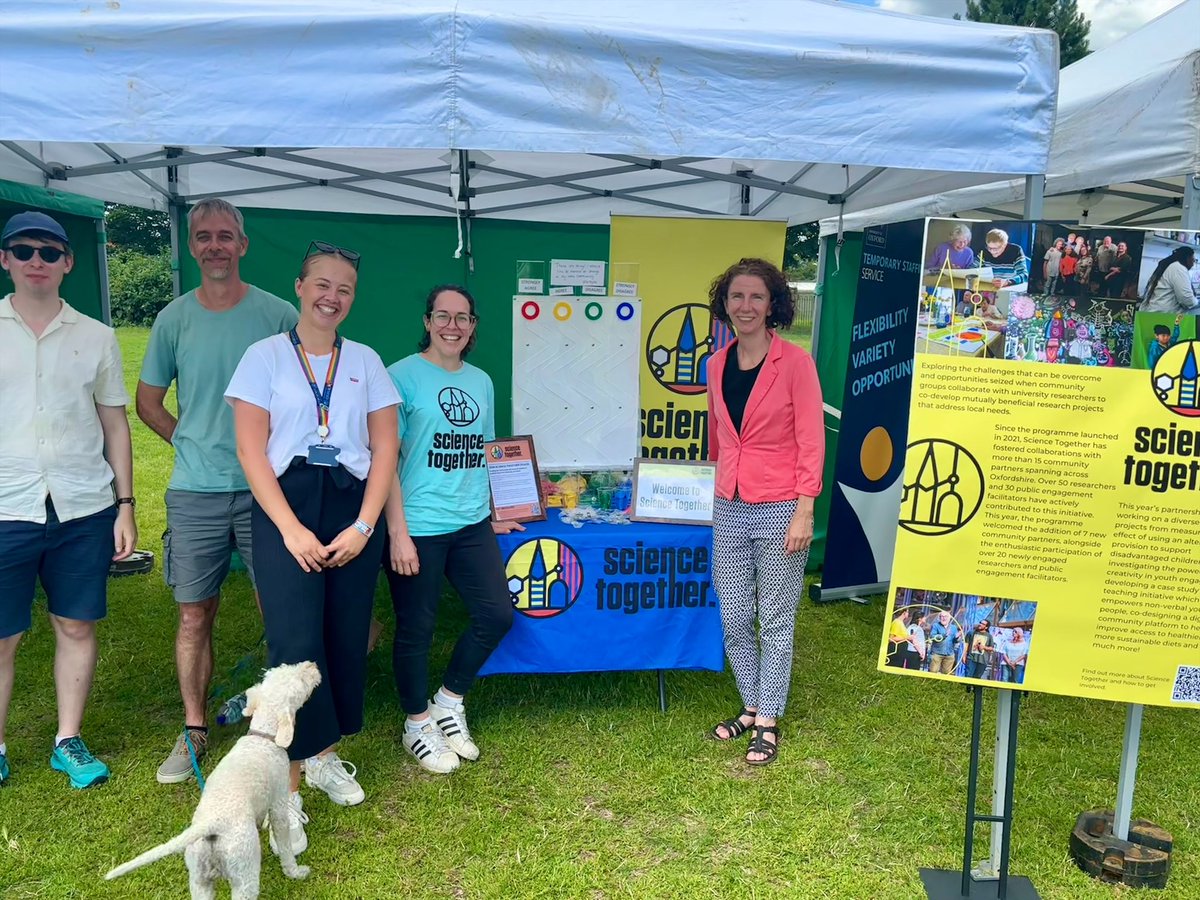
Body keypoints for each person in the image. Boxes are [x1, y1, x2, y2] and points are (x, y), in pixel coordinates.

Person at [226, 241, 399, 854]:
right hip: (287, 506)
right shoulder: (265, 357)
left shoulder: (366, 361)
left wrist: (364, 527)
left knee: (344, 635)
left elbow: (385, 448)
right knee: (294, 645)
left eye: (344, 288)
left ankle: (323, 755)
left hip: (351, 507)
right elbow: (251, 450)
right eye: (322, 284)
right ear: (299, 287)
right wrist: (290, 529)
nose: (333, 296)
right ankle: (287, 787)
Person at [137, 199, 299, 784]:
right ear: (191, 246)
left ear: (243, 245)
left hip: (267, 490)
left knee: (278, 606)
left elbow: (307, 394)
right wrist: (190, 441)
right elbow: (147, 403)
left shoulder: (278, 315)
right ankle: (194, 729)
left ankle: (277, 721)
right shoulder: (173, 318)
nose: (215, 246)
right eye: (203, 236)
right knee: (193, 613)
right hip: (196, 491)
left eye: (225, 236)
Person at [0, 211, 137, 789]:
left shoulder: (96, 336)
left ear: (68, 262)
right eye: (24, 250)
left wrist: (125, 504)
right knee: (3, 637)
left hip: (82, 505)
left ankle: (68, 740)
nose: (37, 261)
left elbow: (115, 423)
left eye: (49, 252)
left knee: (76, 626)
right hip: (7, 505)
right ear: (5, 258)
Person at [384, 285, 521, 775]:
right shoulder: (399, 376)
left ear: (473, 326)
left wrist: (496, 508)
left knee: (497, 615)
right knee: (416, 628)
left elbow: (486, 451)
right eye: (443, 316)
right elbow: (386, 461)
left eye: (463, 317)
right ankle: (416, 723)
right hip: (418, 524)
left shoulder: (481, 381)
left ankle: (448, 700)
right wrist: (397, 532)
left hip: (471, 522)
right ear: (427, 321)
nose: (453, 326)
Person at [703, 258, 823, 766]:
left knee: (774, 616)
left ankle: (768, 718)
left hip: (781, 505)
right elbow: (718, 436)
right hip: (728, 503)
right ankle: (751, 704)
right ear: (724, 304)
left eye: (756, 296)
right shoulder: (715, 364)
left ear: (773, 304)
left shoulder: (795, 363)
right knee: (733, 614)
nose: (746, 305)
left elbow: (811, 439)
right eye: (737, 296)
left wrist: (805, 510)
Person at [1141, 248, 1198, 314]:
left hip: (1154, 312)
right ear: (1187, 258)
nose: (1193, 263)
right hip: (1162, 315)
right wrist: (1197, 302)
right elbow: (1187, 299)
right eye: (1193, 259)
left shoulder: (1170, 266)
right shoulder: (1178, 268)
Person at [928, 610, 961, 675]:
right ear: (939, 618)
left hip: (949, 654)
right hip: (937, 653)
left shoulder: (954, 627)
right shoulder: (935, 625)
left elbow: (955, 641)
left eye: (945, 616)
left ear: (949, 618)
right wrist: (943, 635)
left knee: (946, 674)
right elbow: (932, 636)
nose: (943, 618)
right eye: (941, 616)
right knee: (933, 672)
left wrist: (957, 638)